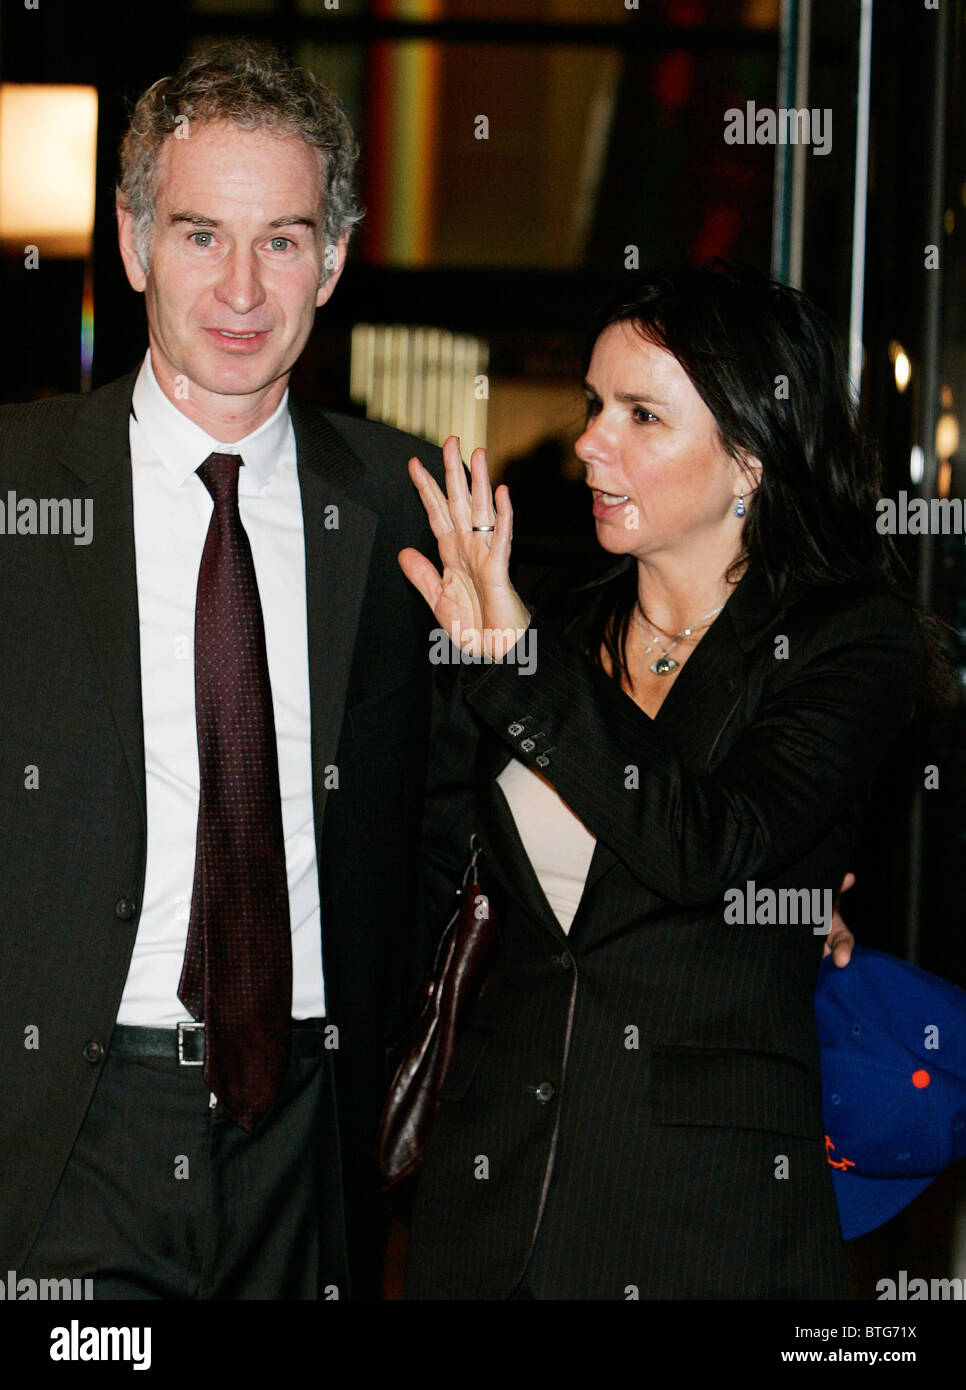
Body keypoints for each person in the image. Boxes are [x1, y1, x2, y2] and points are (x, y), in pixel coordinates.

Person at [0, 40, 448, 1300]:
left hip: (311, 1139)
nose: (243, 287)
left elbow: (466, 817)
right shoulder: (17, 487)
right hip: (66, 1135)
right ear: (136, 246)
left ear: (338, 258)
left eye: (285, 239)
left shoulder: (410, 506)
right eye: (202, 235)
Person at [398, 264, 928, 1300]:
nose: (592, 440)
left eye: (643, 414)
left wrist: (515, 667)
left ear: (750, 458)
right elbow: (437, 860)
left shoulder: (848, 644)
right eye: (598, 405)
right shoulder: (542, 618)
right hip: (489, 1209)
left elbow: (711, 848)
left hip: (701, 1221)